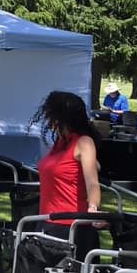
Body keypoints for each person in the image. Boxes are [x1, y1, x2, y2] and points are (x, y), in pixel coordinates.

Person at [30, 90, 103, 260]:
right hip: (47, 221)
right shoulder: (60, 143)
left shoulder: (84, 142)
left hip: (72, 226)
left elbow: (92, 183)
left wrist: (93, 209)